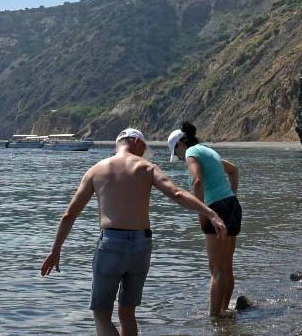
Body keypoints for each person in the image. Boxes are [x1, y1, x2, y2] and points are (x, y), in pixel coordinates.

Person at [41, 128, 227, 336]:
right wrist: (209, 212)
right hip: (141, 246)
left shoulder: (96, 170)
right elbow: (176, 193)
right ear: (136, 142)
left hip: (111, 244)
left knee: (102, 315)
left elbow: (69, 215)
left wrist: (55, 249)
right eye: (143, 148)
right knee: (127, 313)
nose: (142, 153)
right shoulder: (146, 167)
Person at [168, 122, 241, 317]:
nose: (180, 158)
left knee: (216, 269)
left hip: (216, 208)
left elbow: (198, 182)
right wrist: (231, 194)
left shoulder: (192, 153)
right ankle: (225, 309)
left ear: (180, 145)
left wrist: (203, 214)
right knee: (226, 265)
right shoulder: (208, 151)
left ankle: (214, 317)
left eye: (177, 154)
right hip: (232, 206)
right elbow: (233, 170)